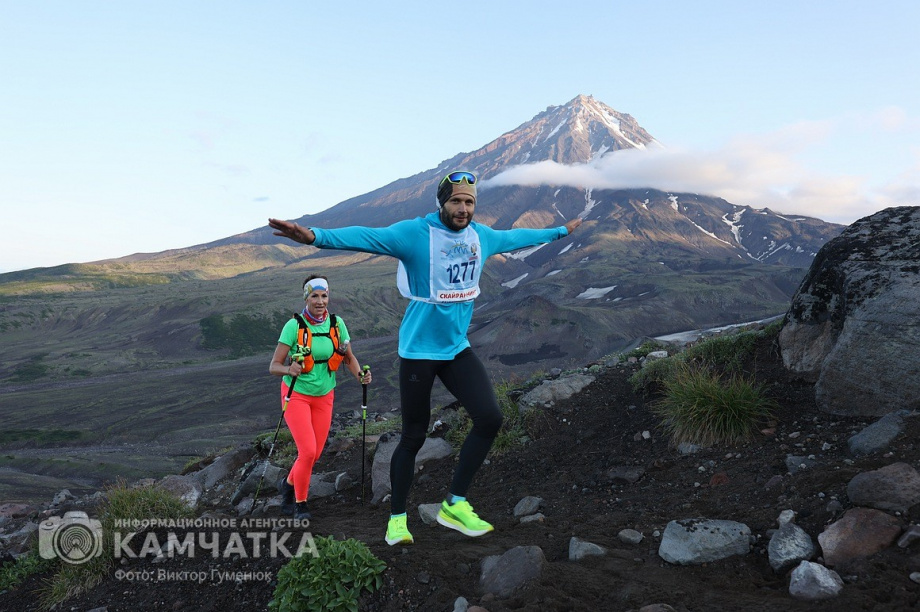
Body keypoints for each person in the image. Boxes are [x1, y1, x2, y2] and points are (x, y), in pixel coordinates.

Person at [268, 170, 581, 544]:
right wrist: (315, 237)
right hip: (417, 353)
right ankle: (397, 519)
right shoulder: (416, 234)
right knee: (414, 435)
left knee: (490, 418)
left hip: (455, 349)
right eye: (455, 201)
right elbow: (369, 237)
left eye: (469, 202)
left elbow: (518, 237)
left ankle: (455, 503)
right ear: (441, 202)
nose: (463, 209)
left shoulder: (480, 237)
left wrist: (560, 232)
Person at [268, 274, 372, 520]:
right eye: (314, 295)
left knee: (315, 453)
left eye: (324, 295)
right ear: (306, 297)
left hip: (324, 395)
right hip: (297, 395)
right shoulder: (294, 326)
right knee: (307, 452)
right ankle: (301, 504)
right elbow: (274, 365)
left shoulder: (337, 324)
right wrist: (288, 369)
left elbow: (348, 357)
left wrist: (361, 376)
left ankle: (288, 484)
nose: (320, 301)